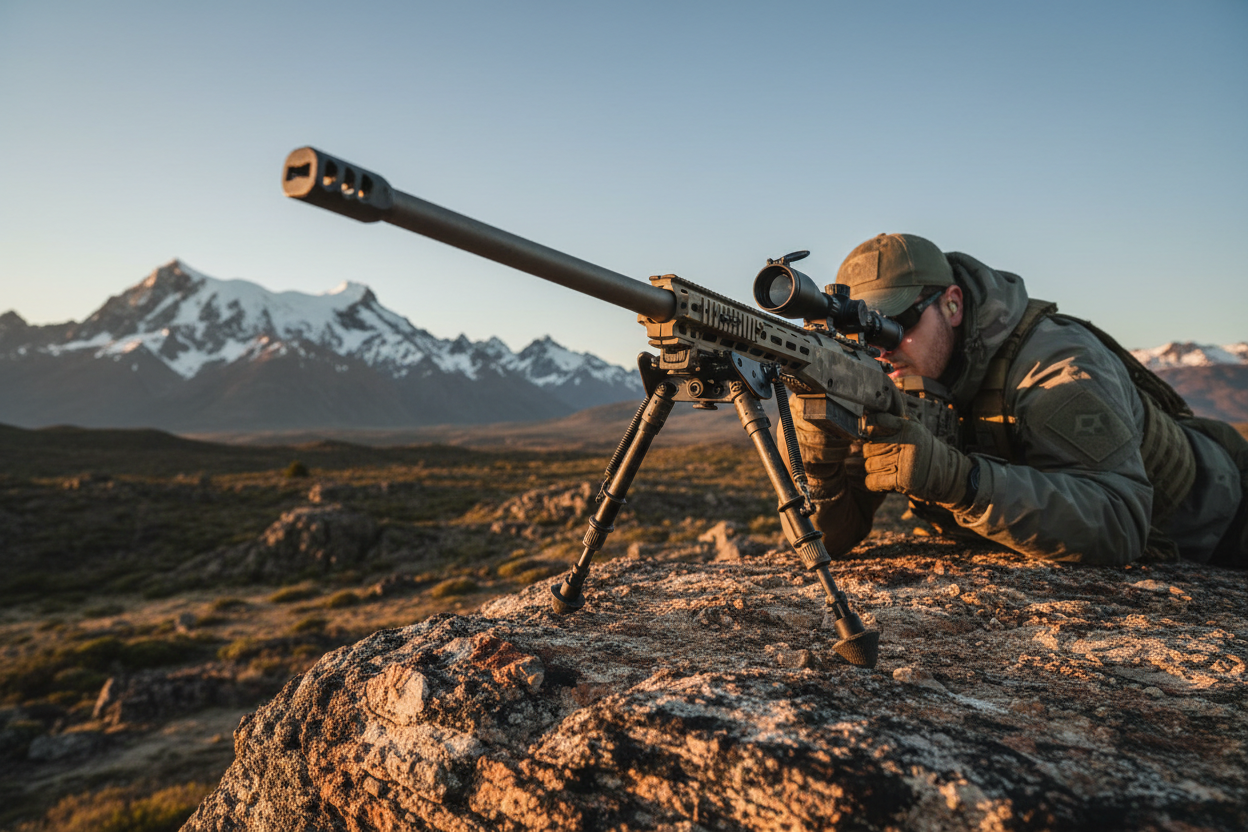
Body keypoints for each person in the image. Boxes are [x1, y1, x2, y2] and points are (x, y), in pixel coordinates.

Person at [792, 233, 1248, 566]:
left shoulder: (1055, 367)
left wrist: (962, 482)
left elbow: (1120, 522)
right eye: (864, 335)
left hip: (1225, 523)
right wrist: (819, 459)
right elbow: (831, 539)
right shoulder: (885, 373)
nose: (882, 348)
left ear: (951, 305)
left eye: (896, 325)